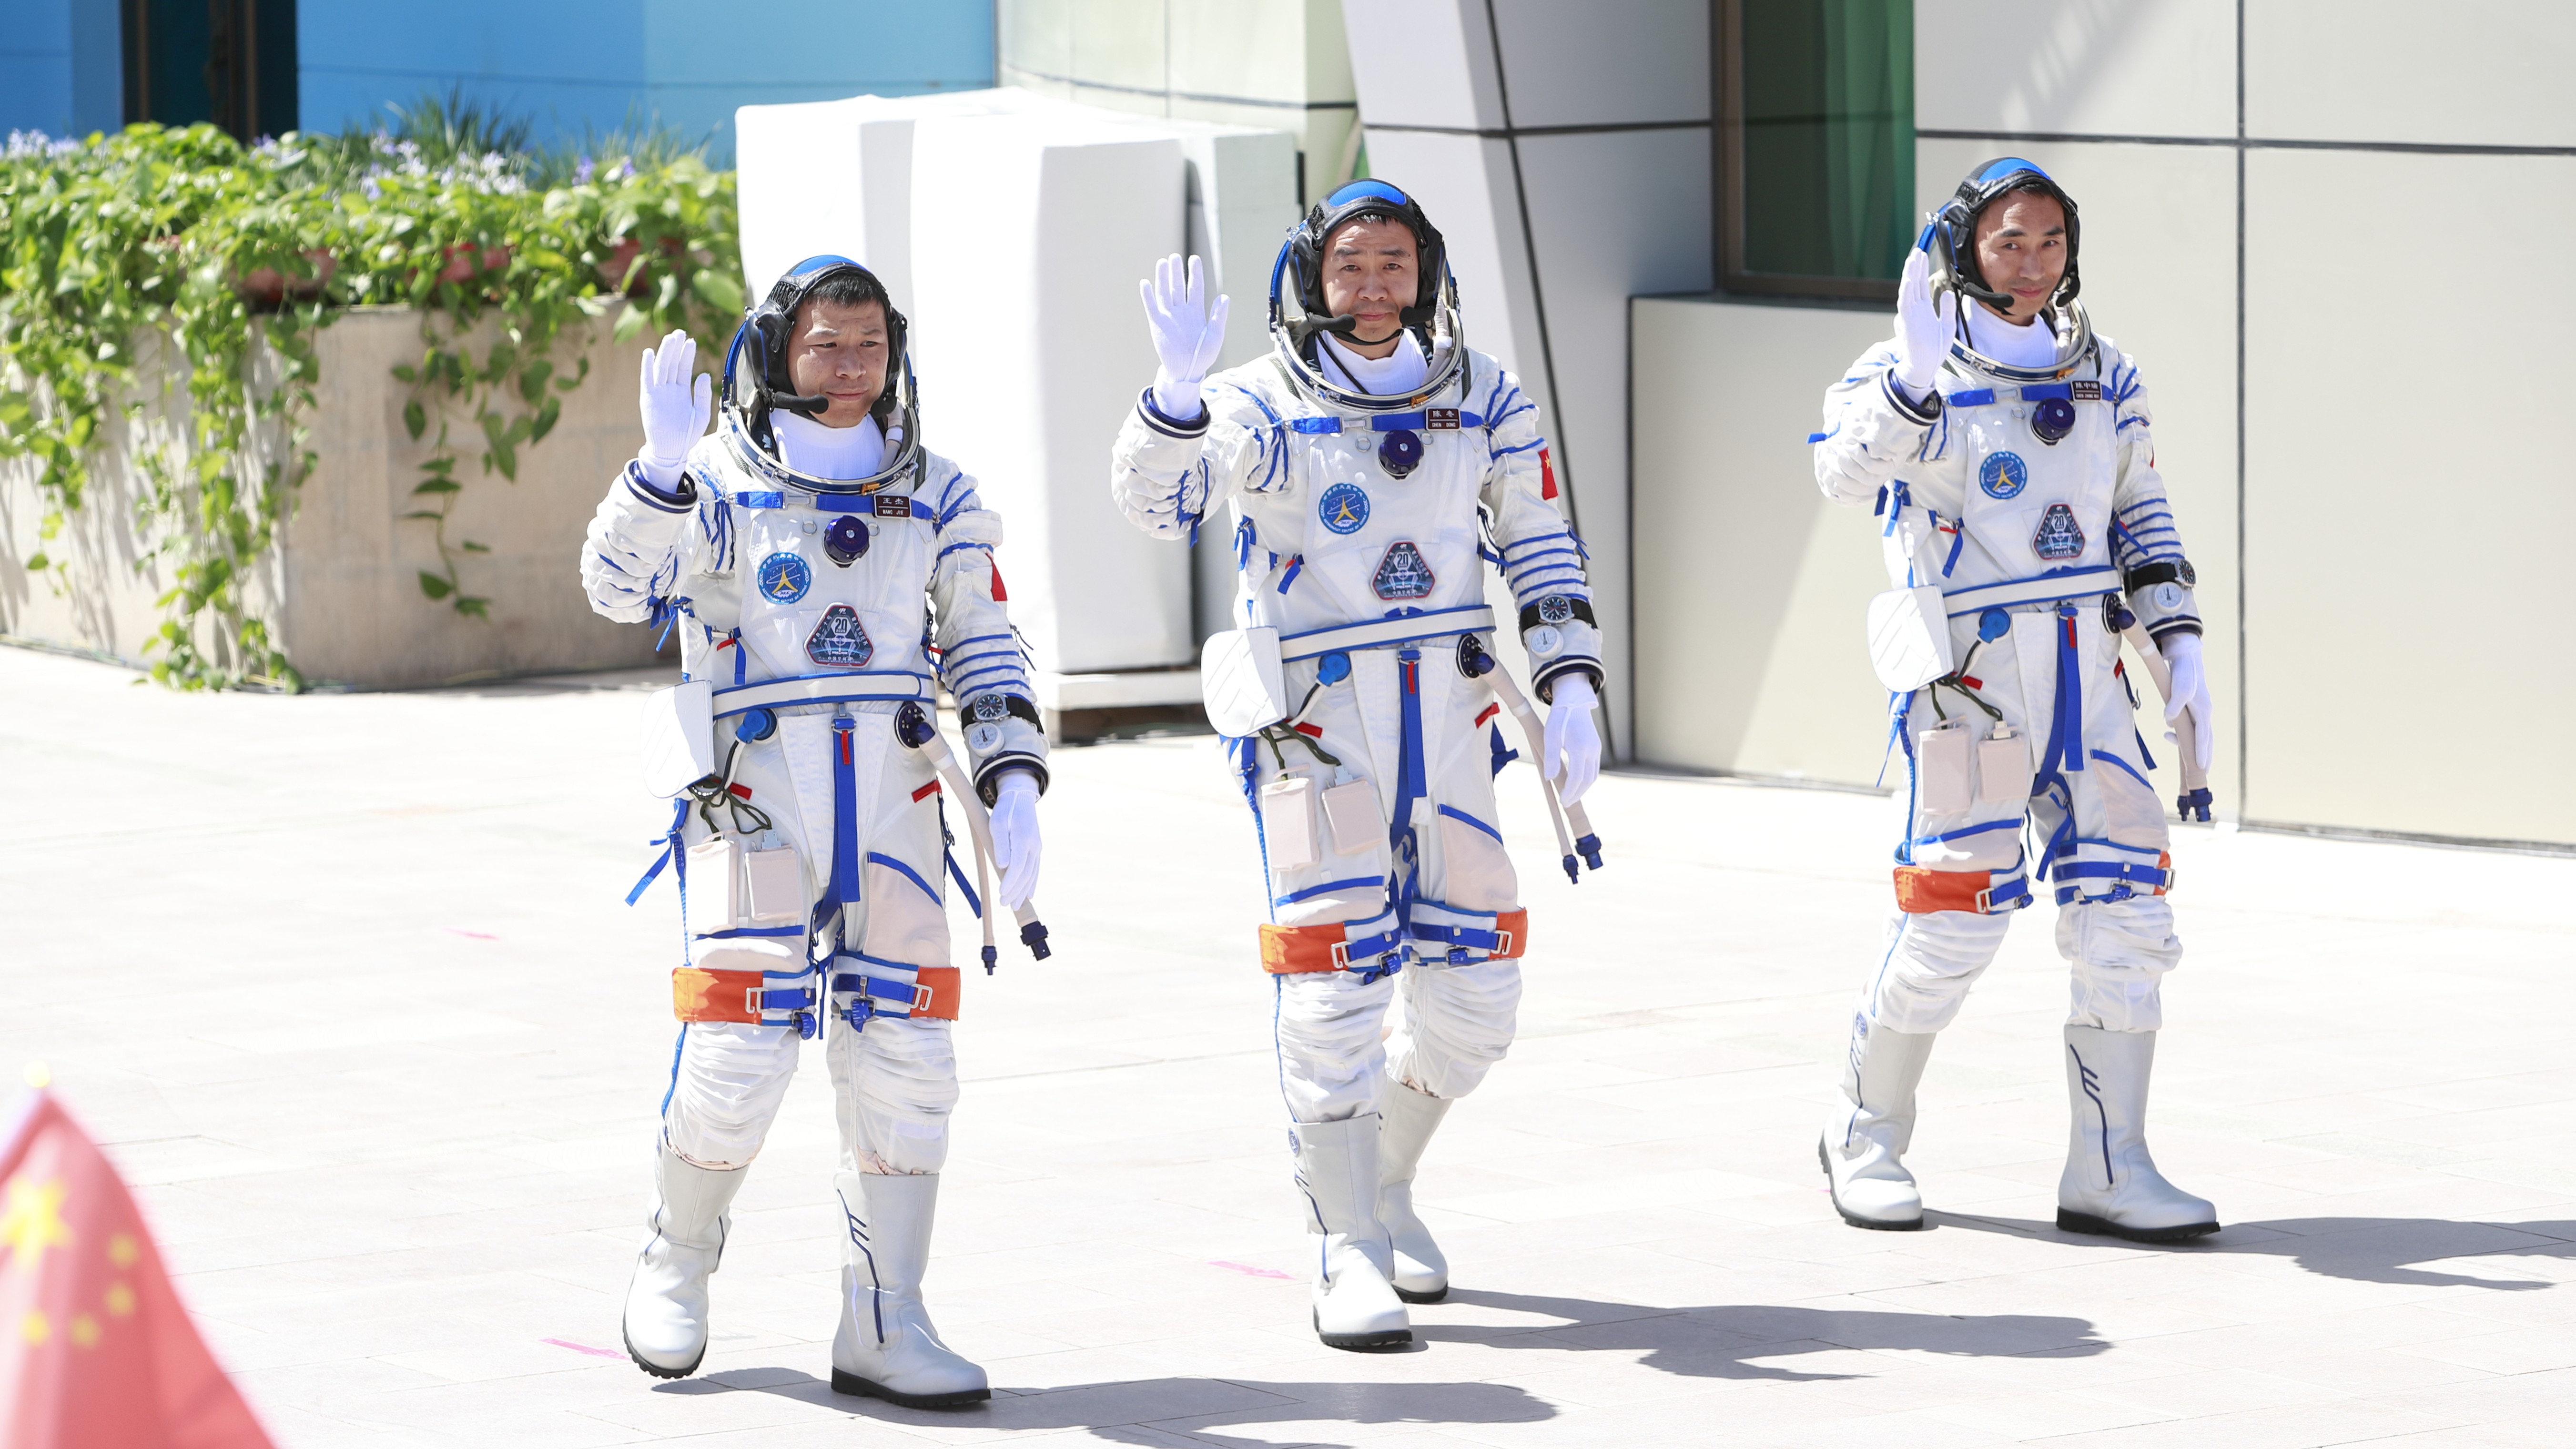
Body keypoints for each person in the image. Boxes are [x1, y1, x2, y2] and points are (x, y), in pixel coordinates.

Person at [1109, 181, 1605, 1349]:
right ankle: (1346, 1244)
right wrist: (1173, 399)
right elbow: (1159, 504)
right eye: (1350, 267)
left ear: (1425, 273)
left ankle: (1379, 1176)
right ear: (1310, 277)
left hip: (1451, 724)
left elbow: (1540, 540)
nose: (1373, 288)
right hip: (1317, 734)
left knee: (1477, 1004)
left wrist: (1574, 678)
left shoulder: (1482, 394)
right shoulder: (1254, 401)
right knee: (1335, 984)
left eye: (1394, 264)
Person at [580, 256, 1050, 1407]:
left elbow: (983, 637)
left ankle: (886, 1321)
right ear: (778, 351)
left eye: (871, 345)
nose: (851, 365)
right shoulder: (719, 487)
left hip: (893, 800)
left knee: (911, 1061)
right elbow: (611, 587)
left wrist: (1014, 772)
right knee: (739, 1056)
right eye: (827, 343)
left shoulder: (936, 493)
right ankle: (676, 1259)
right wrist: (656, 473)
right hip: (754, 805)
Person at [1810, 159, 2220, 1242]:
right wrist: (1907, 376)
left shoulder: (2105, 369)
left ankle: (2112, 1165)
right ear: (1961, 250)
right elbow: (1843, 478)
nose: (2032, 263)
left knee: (2129, 920)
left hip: (2091, 683)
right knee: (1953, 926)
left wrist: (2180, 644)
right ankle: (1864, 1133)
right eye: (2007, 243)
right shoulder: (1908, 367)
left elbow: (2142, 507)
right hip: (1974, 692)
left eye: (2049, 242)